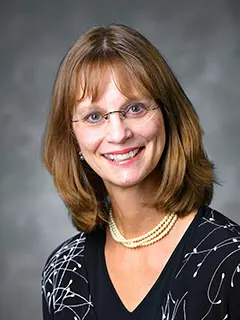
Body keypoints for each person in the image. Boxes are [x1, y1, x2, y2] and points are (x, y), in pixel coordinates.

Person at [41, 24, 240, 320]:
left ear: (168, 116)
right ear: (73, 139)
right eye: (94, 116)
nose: (118, 134)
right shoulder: (61, 274)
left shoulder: (230, 260)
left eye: (134, 108)